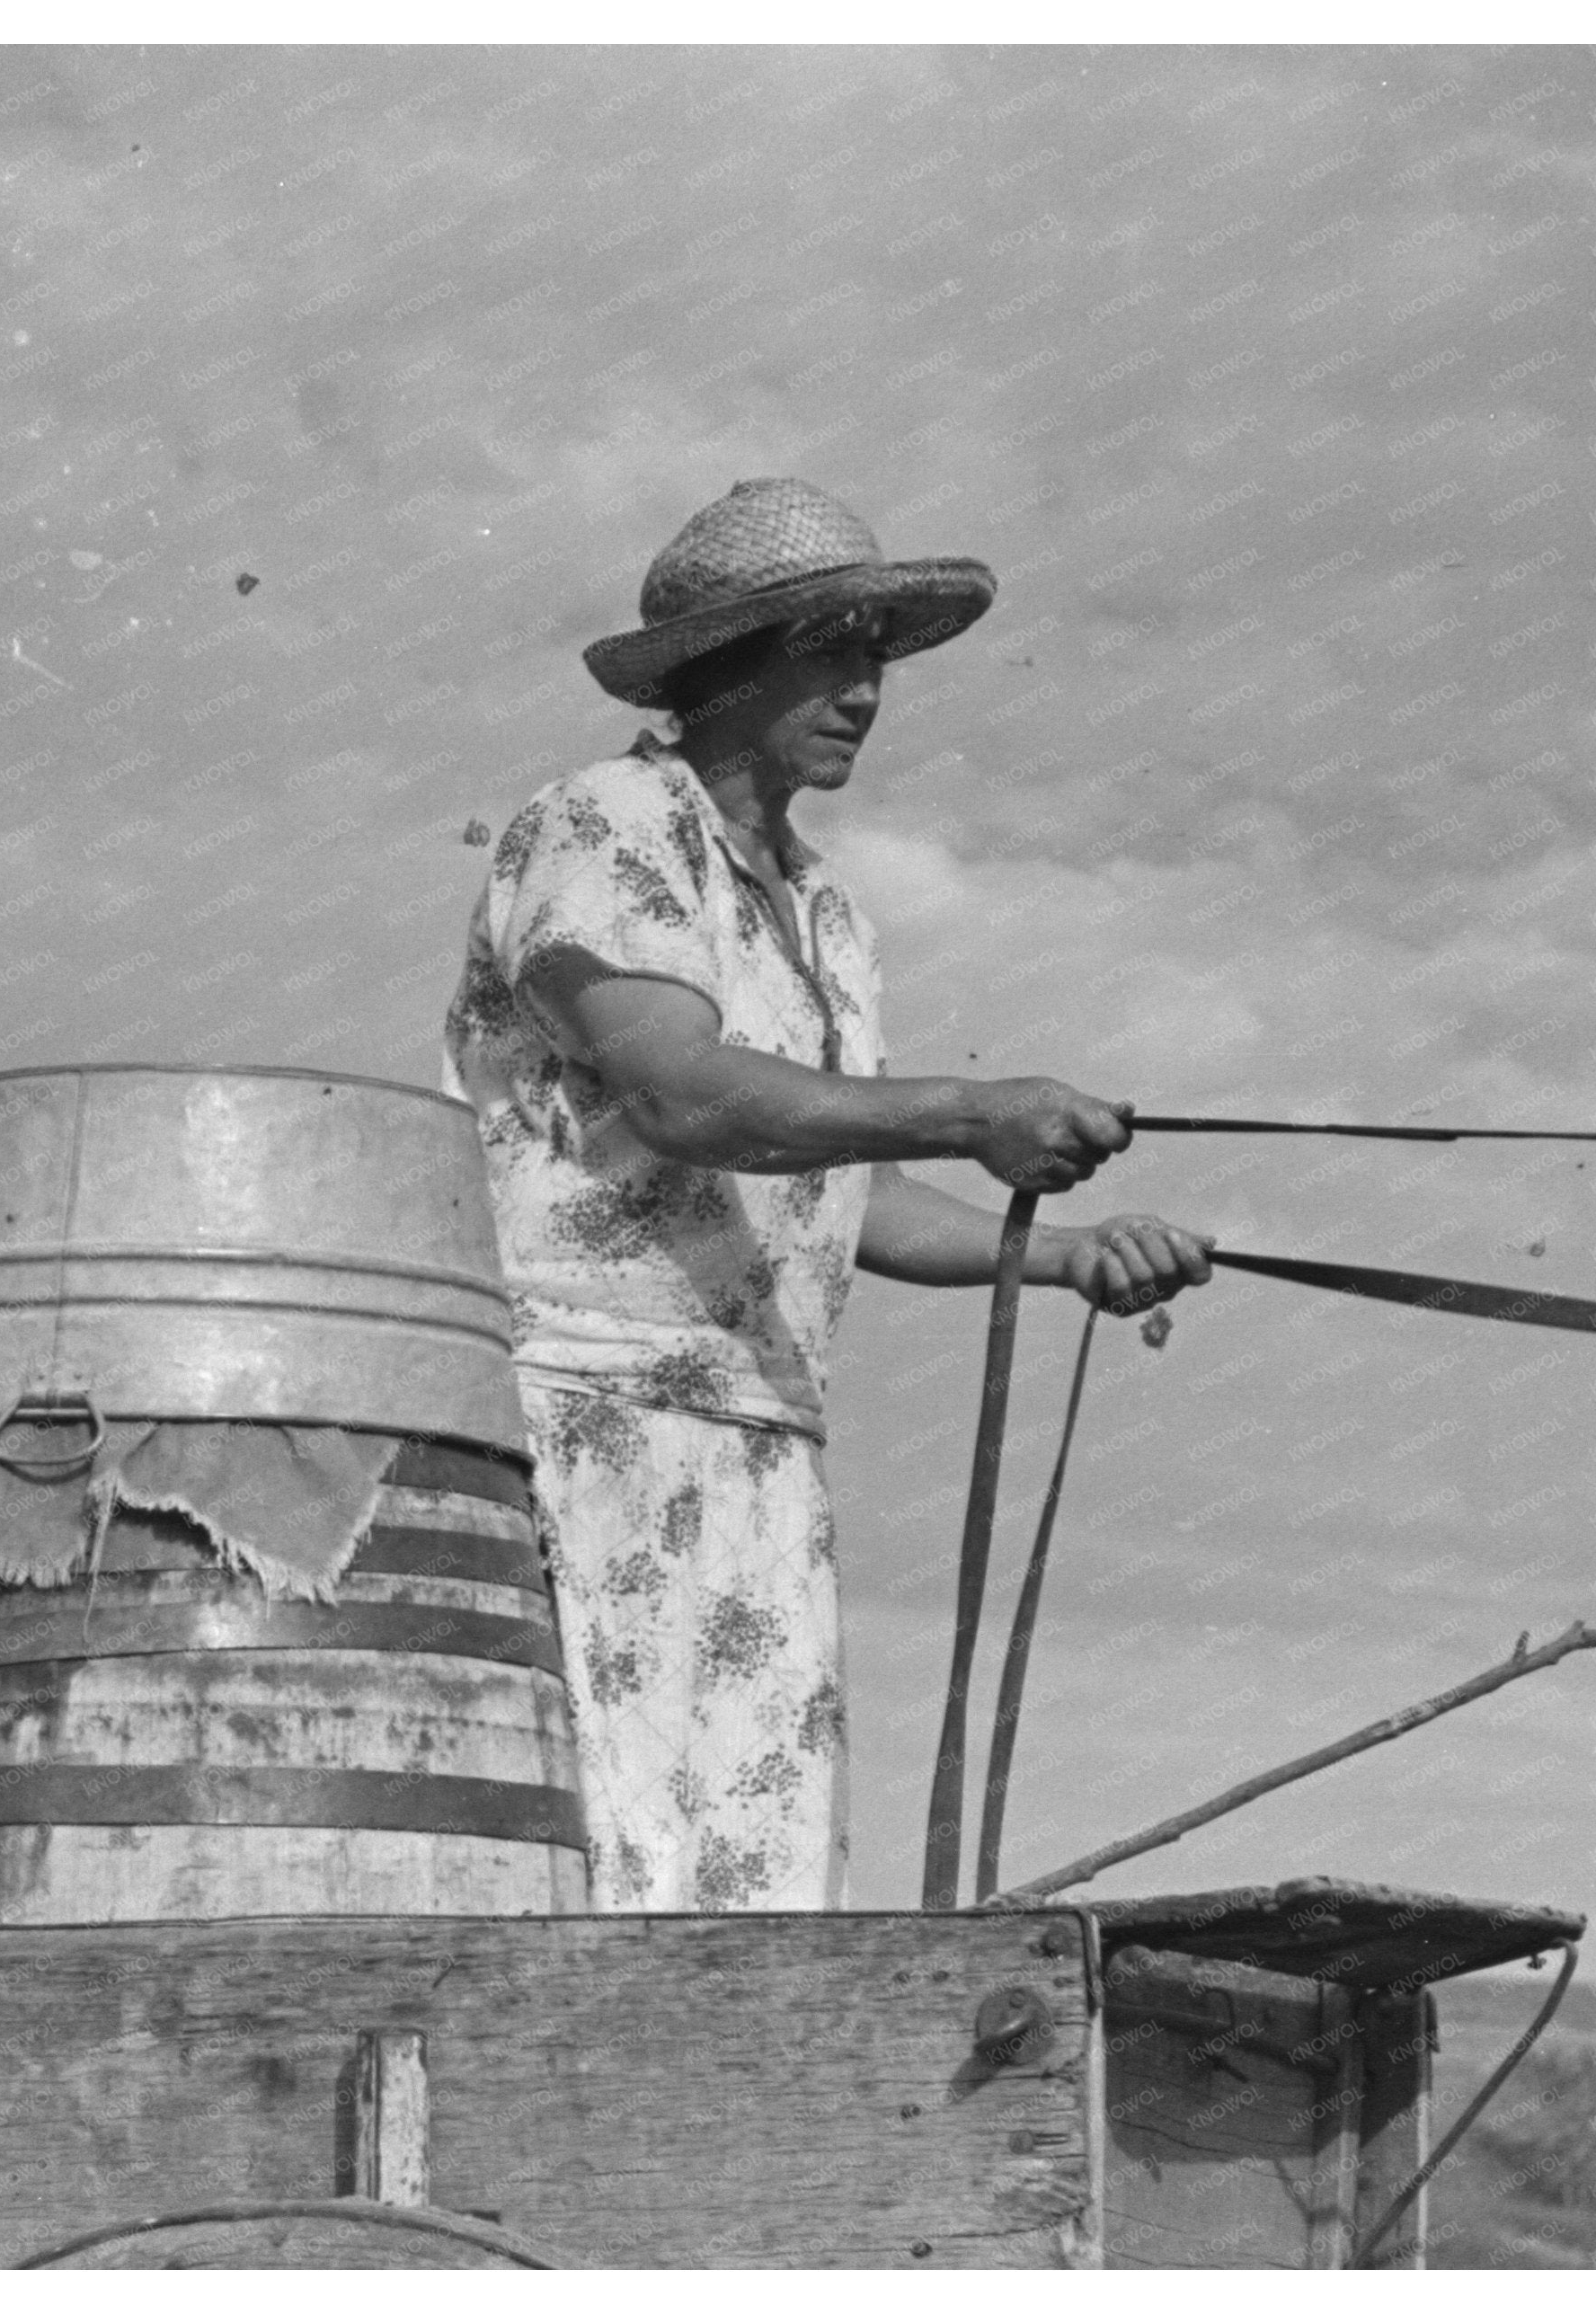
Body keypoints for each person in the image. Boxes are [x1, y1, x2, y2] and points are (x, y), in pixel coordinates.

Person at [440, 477, 1214, 1912]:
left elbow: (846, 1192)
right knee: (604, 1861)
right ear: (726, 667)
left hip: (759, 1443)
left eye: (879, 657)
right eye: (831, 651)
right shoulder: (606, 826)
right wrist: (973, 1105)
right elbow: (682, 1092)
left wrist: (1069, 1254)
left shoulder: (826, 912)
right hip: (580, 1423)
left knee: (756, 1884)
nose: (866, 690)